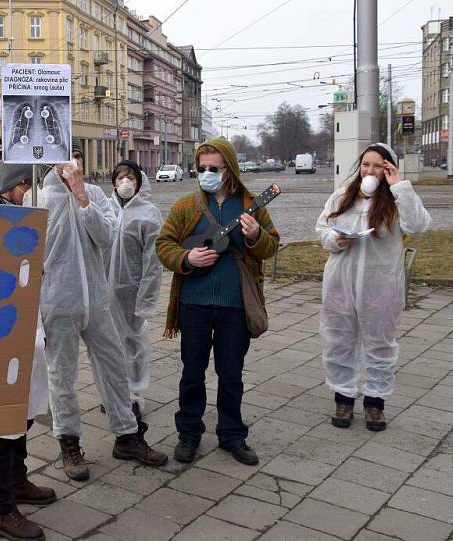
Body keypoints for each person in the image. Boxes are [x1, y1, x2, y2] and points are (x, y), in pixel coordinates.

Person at [42, 141, 168, 482]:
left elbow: (107, 237)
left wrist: (84, 199)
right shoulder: (40, 200)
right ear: (51, 163)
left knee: (114, 365)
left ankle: (127, 435)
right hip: (58, 301)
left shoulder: (96, 195)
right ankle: (68, 441)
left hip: (97, 300)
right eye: (66, 157)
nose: (73, 163)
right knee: (62, 374)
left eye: (78, 156)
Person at [156, 138, 279, 466]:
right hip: (194, 302)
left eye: (214, 168)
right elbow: (163, 244)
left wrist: (255, 236)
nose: (207, 173)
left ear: (230, 169)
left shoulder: (252, 205)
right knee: (192, 371)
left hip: (235, 303)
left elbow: (271, 247)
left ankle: (232, 434)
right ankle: (189, 433)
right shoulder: (186, 206)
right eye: (202, 168)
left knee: (231, 373)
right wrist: (187, 257)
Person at [316, 142, 431, 431]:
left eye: (378, 165)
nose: (370, 170)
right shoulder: (344, 196)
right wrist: (337, 240)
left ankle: (375, 403)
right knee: (339, 338)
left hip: (381, 285)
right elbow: (322, 229)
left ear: (388, 168)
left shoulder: (396, 199)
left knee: (380, 343)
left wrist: (400, 187)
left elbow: (418, 226)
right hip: (341, 282)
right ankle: (343, 397)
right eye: (366, 164)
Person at [0, 161, 55, 541]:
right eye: (26, 185)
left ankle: (17, 479)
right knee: (5, 419)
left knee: (26, 410)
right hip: (4, 332)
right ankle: (0, 506)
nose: (29, 191)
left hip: (32, 327)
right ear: (14, 186)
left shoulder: (24, 214)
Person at [107, 160, 163, 422]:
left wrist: (146, 297)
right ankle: (116, 395)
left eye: (130, 176)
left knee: (135, 344)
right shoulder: (106, 209)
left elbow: (153, 262)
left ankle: (136, 396)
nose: (125, 182)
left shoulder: (148, 213)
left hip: (132, 289)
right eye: (119, 178)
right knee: (110, 345)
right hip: (106, 291)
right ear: (113, 183)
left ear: (140, 180)